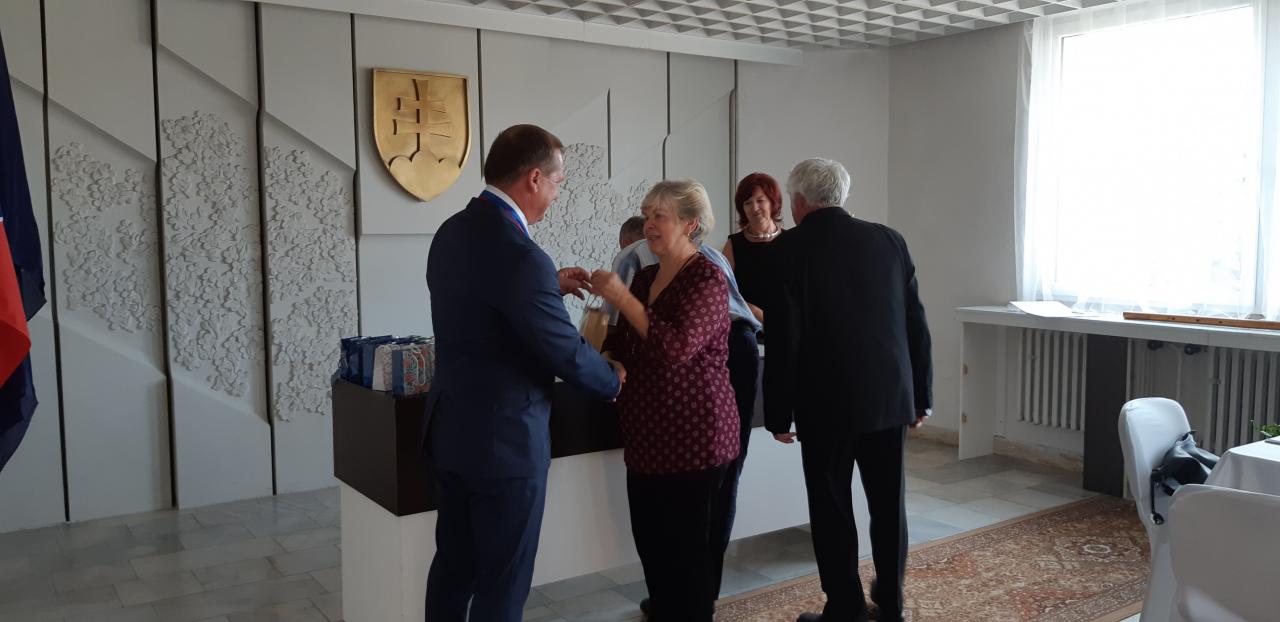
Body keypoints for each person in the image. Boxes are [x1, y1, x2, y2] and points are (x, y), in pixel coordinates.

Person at [423, 124, 625, 621]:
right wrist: (612, 379)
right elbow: (564, 352)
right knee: (503, 583)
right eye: (558, 183)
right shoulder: (522, 256)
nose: (556, 195)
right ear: (534, 178)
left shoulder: (451, 232)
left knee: (453, 568)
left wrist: (544, 288)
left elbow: (481, 308)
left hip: (451, 429)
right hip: (505, 444)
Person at [763, 158, 932, 622]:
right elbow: (915, 323)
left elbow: (784, 337)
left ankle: (845, 609)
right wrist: (921, 395)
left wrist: (777, 412)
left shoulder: (788, 248)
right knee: (889, 505)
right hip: (888, 399)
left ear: (799, 201)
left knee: (832, 507)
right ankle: (892, 605)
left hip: (825, 404)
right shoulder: (889, 240)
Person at [590, 180, 739, 621]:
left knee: (688, 558)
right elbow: (620, 338)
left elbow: (676, 347)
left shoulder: (707, 277)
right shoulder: (645, 277)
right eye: (647, 214)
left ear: (690, 224)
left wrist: (620, 296)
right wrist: (609, 354)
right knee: (653, 547)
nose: (649, 224)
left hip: (695, 439)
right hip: (647, 438)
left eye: (660, 215)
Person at [723, 173, 787, 326]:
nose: (754, 208)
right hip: (747, 324)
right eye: (748, 203)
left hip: (784, 324)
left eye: (760, 200)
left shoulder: (789, 241)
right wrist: (753, 311)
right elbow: (723, 291)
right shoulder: (733, 244)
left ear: (772, 202)